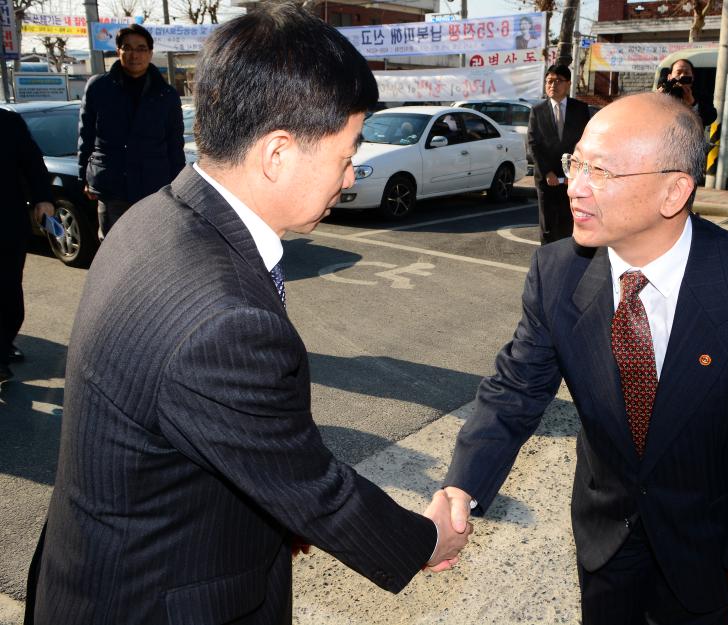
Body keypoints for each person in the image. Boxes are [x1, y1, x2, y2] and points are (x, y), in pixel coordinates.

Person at [25, 5, 470, 624]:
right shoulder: (224, 319)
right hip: (158, 598)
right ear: (278, 153)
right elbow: (307, 482)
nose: (347, 180)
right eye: (346, 155)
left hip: (111, 563)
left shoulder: (154, 216)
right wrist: (423, 542)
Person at [439, 92, 728, 625]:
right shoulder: (557, 272)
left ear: (675, 191)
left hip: (705, 540)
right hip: (605, 534)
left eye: (602, 171)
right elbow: (515, 389)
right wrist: (462, 486)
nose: (575, 186)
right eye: (577, 163)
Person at [78, 23, 185, 240]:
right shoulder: (99, 87)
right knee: (112, 250)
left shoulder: (166, 94)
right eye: (127, 47)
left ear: (150, 53)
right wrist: (85, 176)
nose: (134, 54)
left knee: (153, 248)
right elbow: (85, 136)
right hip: (112, 186)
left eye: (141, 48)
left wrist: (178, 184)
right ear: (118, 51)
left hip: (154, 186)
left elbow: (175, 143)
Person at [0, 110, 54, 385]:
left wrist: (43, 199)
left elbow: (33, 163)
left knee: (9, 292)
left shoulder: (9, 123)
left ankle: (4, 342)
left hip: (7, 225)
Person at [528, 64, 590, 244]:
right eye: (549, 81)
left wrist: (576, 171)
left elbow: (585, 141)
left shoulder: (580, 109)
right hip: (547, 179)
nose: (552, 85)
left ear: (568, 84)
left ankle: (567, 262)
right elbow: (534, 144)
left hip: (572, 178)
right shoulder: (537, 111)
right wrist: (547, 172)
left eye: (558, 81)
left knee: (568, 223)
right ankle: (547, 265)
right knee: (548, 226)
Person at [657, 58, 717, 126]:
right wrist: (659, 98)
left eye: (686, 73)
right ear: (669, 77)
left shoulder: (701, 95)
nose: (682, 76)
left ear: (692, 77)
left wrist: (693, 104)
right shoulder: (664, 93)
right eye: (678, 72)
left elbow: (709, 118)